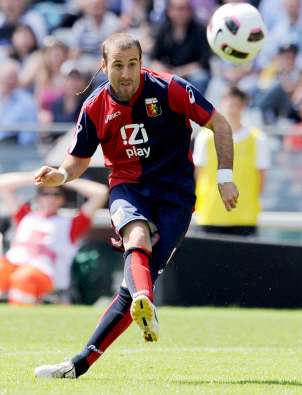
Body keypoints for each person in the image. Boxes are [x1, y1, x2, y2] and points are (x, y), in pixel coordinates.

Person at [34, 32, 238, 379]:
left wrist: (225, 176)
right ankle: (147, 299)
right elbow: (77, 160)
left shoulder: (169, 88)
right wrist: (60, 176)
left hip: (175, 196)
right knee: (135, 235)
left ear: (142, 64)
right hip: (128, 188)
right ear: (104, 65)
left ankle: (79, 364)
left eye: (132, 64)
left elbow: (218, 123)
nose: (126, 73)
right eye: (117, 65)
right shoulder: (94, 106)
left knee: (130, 291)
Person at [0, 171, 108, 305]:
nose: (50, 198)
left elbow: (101, 192)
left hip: (44, 273)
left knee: (23, 277)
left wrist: (62, 179)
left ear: (62, 199)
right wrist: (38, 177)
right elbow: (2, 183)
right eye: (45, 194)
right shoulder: (25, 215)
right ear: (38, 197)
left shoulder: (71, 223)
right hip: (13, 265)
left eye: (56, 194)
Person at [194, 86, 270, 237]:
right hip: (210, 215)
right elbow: (198, 174)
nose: (232, 110)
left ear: (243, 107)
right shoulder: (205, 137)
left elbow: (262, 177)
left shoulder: (258, 139)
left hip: (244, 217)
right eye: (228, 105)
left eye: (236, 105)